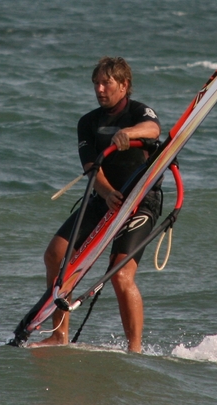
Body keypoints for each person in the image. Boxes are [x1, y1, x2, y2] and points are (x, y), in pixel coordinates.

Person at [30, 56, 162, 353]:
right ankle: (58, 334)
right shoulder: (88, 122)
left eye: (106, 83)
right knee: (55, 255)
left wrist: (128, 133)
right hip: (103, 198)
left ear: (124, 85)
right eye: (96, 84)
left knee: (120, 273)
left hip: (140, 203)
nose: (100, 89)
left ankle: (135, 349)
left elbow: (154, 130)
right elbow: (91, 166)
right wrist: (106, 193)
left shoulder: (138, 111)